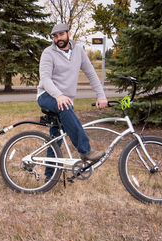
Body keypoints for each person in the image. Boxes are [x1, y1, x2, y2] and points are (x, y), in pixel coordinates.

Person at [37, 23, 108, 179]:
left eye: (61, 35)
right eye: (55, 36)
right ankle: (85, 151)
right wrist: (59, 96)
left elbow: (91, 74)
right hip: (47, 95)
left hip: (65, 100)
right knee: (65, 106)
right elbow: (45, 79)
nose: (58, 39)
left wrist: (101, 95)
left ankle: (49, 176)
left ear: (69, 34)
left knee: (56, 138)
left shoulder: (79, 51)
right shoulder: (48, 53)